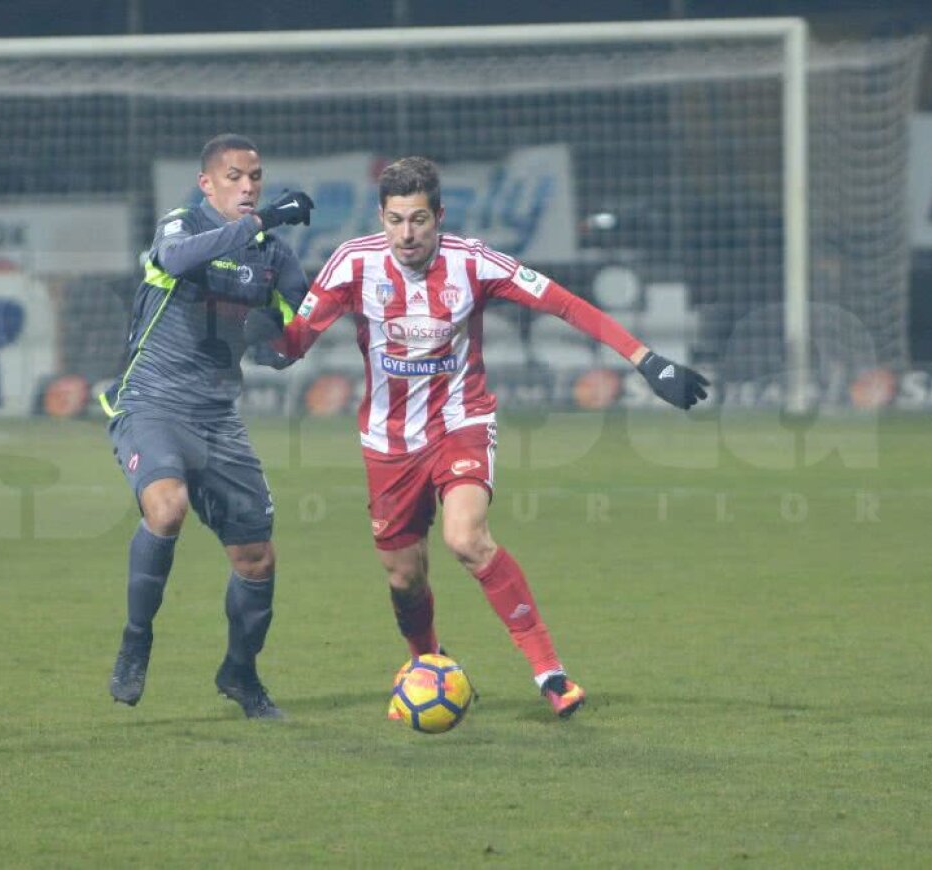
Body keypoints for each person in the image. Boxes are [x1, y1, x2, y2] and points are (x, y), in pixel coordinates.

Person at [244, 156, 706, 719]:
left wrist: (645, 359)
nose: (406, 234)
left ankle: (550, 672)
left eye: (418, 220)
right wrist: (263, 333)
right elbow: (292, 347)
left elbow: (562, 302)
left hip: (461, 422)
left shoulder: (473, 262)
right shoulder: (351, 265)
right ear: (380, 218)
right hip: (388, 442)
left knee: (466, 537)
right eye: (394, 220)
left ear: (438, 216)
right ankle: (429, 664)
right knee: (404, 577)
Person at [100, 133, 314, 718]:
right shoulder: (182, 227)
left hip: (218, 418)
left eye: (256, 178)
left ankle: (240, 674)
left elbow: (303, 324)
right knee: (165, 509)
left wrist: (282, 340)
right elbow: (173, 263)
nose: (248, 188)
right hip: (151, 402)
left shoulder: (272, 255)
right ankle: (137, 638)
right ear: (207, 183)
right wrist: (266, 219)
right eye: (235, 177)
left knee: (257, 560)